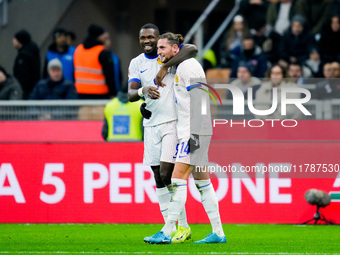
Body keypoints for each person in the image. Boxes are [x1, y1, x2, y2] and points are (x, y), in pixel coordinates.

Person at [144, 32, 226, 244]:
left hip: (194, 131)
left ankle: (167, 230)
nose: (158, 52)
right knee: (202, 182)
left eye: (162, 48)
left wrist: (196, 134)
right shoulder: (179, 66)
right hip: (191, 130)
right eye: (158, 48)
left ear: (175, 49)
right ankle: (218, 232)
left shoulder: (188, 66)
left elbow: (200, 99)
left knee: (177, 179)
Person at [128, 24, 198, 243]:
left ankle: (169, 229)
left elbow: (192, 49)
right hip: (150, 126)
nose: (147, 41)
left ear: (159, 39)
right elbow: (130, 93)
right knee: (159, 178)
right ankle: (182, 227)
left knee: (168, 174)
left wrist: (164, 67)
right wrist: (142, 91)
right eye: (143, 38)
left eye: (151, 37)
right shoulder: (136, 63)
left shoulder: (167, 55)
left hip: (172, 124)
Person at [74, 24, 117, 99]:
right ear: (99, 37)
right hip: (100, 94)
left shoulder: (78, 49)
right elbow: (110, 75)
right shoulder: (102, 52)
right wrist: (113, 93)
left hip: (81, 93)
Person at [12, 29, 40, 99]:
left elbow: (22, 75)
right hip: (33, 87)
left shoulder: (24, 56)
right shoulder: (32, 51)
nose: (13, 41)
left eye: (15, 39)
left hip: (25, 90)